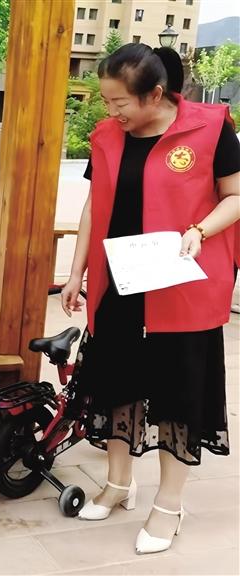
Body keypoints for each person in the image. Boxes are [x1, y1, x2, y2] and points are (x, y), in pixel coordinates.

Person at [61, 44, 240, 554]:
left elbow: (236, 195)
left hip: (182, 284)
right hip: (120, 281)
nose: (110, 111)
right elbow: (94, 206)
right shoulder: (107, 136)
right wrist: (75, 272)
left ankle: (168, 504)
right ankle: (118, 483)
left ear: (155, 94)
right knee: (116, 380)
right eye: (106, 100)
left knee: (176, 392)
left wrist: (200, 231)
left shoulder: (210, 129)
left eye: (119, 102)